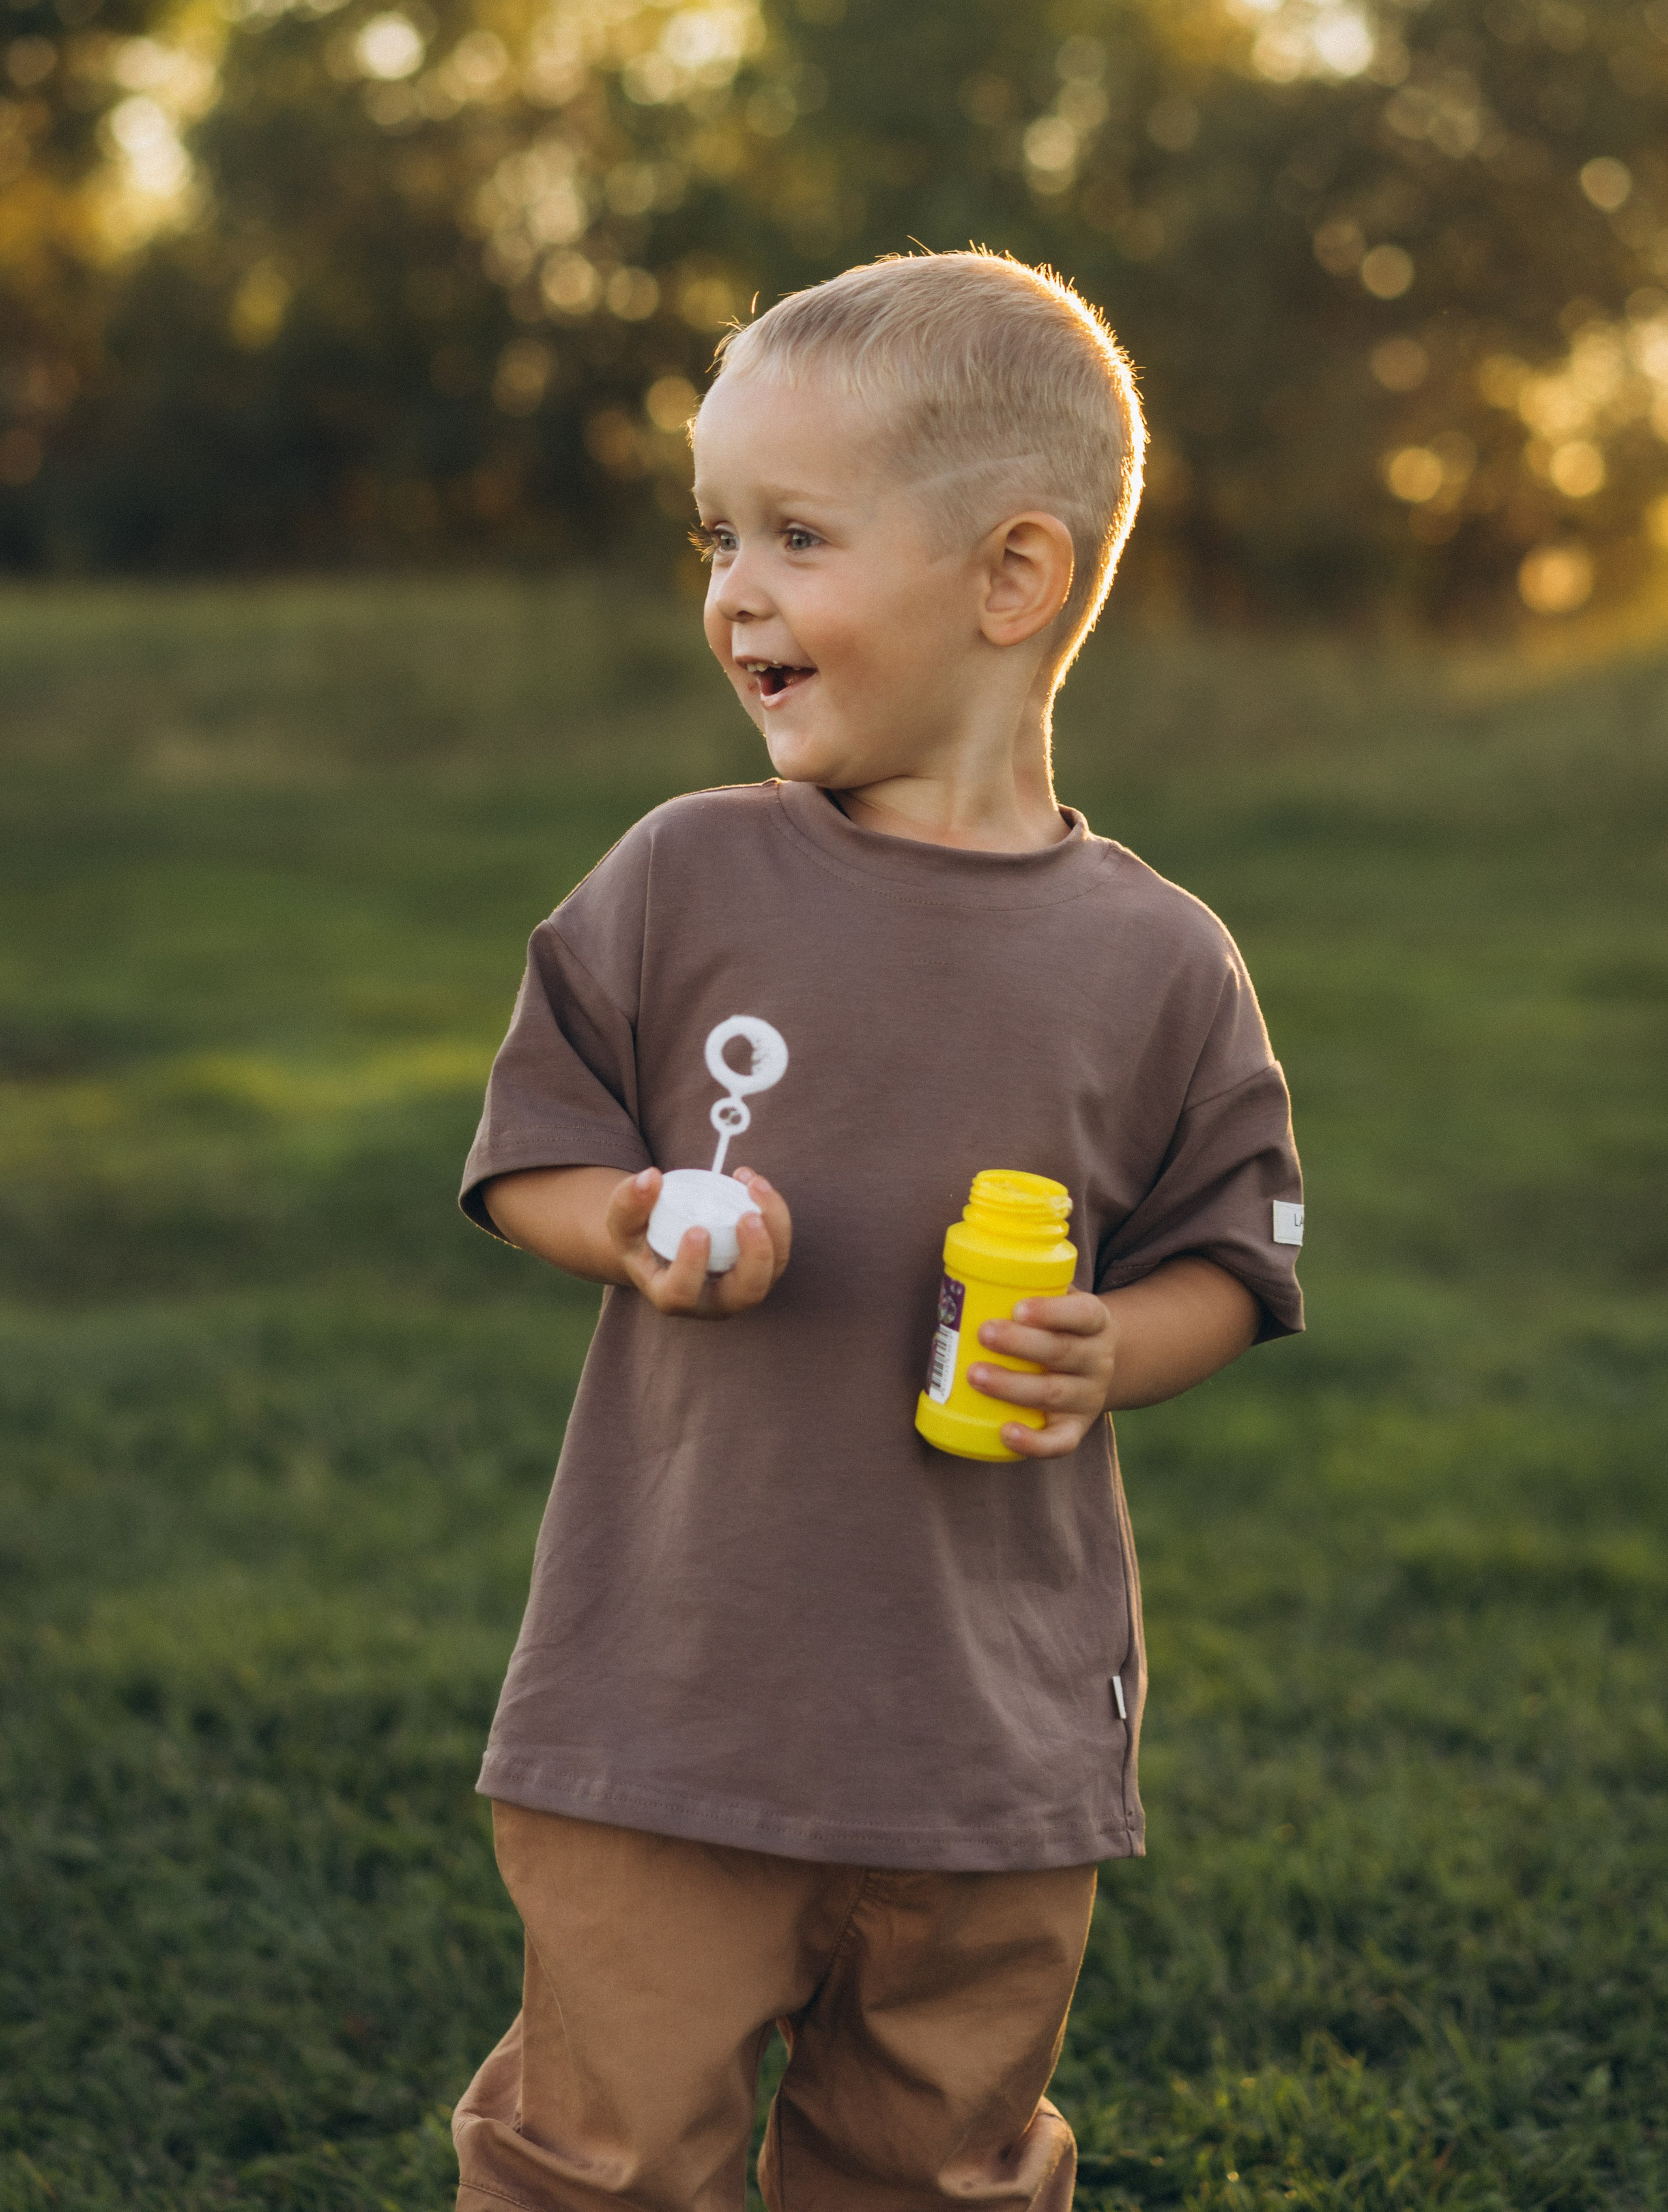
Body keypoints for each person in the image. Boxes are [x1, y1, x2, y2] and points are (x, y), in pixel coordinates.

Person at [452, 250, 1304, 2212]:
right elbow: (534, 1147)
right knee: (601, 2157)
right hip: (665, 1696)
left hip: (988, 1737)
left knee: (936, 2166)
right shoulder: (688, 876)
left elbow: (1230, 1252)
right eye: (717, 536)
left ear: (1013, 580)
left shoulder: (1160, 961)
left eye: (797, 535)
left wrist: (1120, 1341)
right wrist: (641, 1216)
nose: (733, 589)